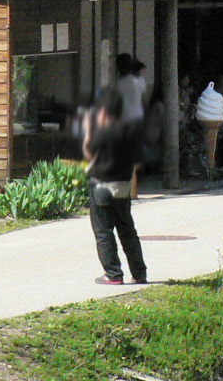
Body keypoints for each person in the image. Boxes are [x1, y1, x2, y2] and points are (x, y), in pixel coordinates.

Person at [84, 88, 147, 286]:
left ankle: (113, 274)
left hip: (101, 183)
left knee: (103, 231)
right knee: (127, 229)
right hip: (122, 184)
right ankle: (139, 273)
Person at [194, 77, 223, 174]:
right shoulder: (218, 97)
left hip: (207, 118)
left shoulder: (210, 97)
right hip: (213, 118)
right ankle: (210, 168)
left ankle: (210, 168)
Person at [115, 53, 148, 122]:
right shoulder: (140, 81)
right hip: (138, 117)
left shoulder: (118, 84)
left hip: (123, 119)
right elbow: (145, 100)